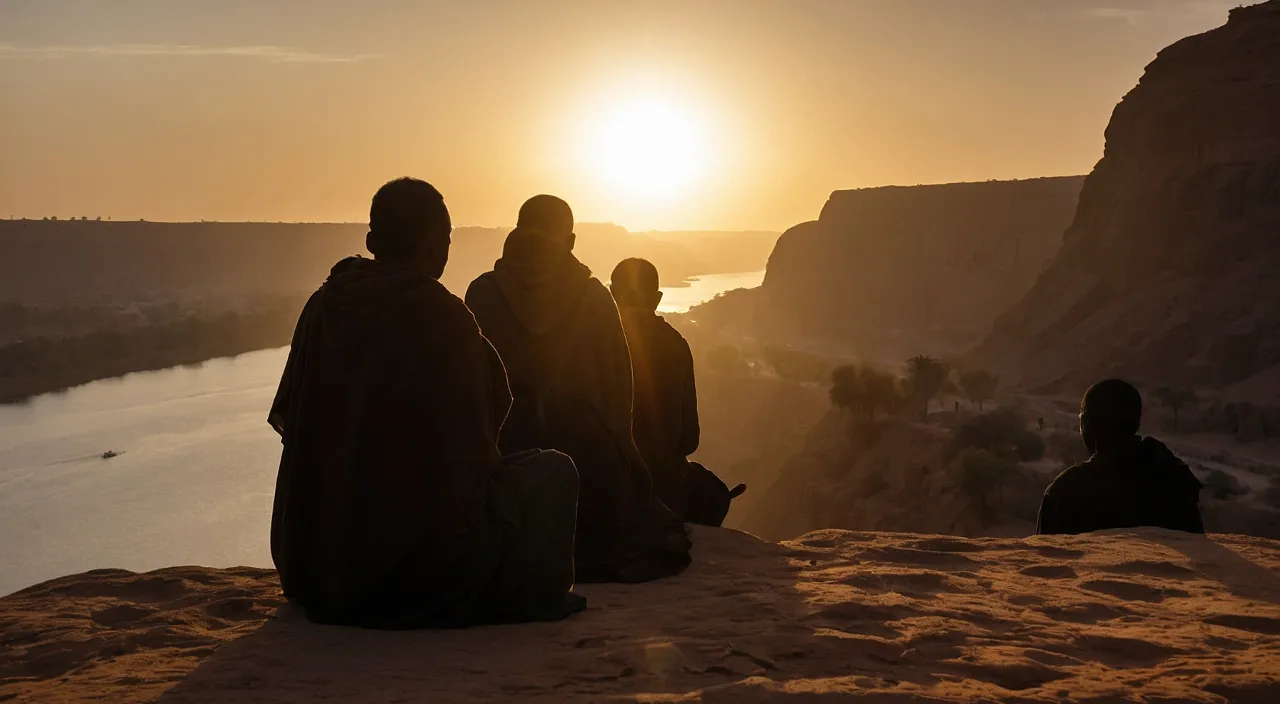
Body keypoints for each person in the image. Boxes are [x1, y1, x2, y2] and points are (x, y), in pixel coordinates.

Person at [268, 178, 584, 628]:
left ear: (372, 241)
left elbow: (293, 422)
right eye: (448, 240)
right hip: (412, 572)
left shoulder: (324, 305)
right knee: (554, 472)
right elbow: (484, 435)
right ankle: (524, 592)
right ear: (436, 244)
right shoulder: (440, 314)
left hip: (316, 564)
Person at [466, 196, 691, 583]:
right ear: (569, 242)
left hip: (506, 473)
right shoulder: (594, 300)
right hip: (589, 481)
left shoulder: (481, 295)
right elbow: (620, 413)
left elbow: (469, 403)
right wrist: (639, 480)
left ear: (517, 234)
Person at [609, 258, 745, 527]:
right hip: (660, 483)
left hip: (603, 478)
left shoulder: (594, 340)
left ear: (612, 294)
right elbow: (688, 439)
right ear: (657, 299)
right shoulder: (676, 345)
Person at [1037, 379, 1204, 536]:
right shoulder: (1174, 478)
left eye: (1081, 419)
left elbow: (1045, 561)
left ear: (1087, 423)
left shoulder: (1064, 492)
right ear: (1136, 423)